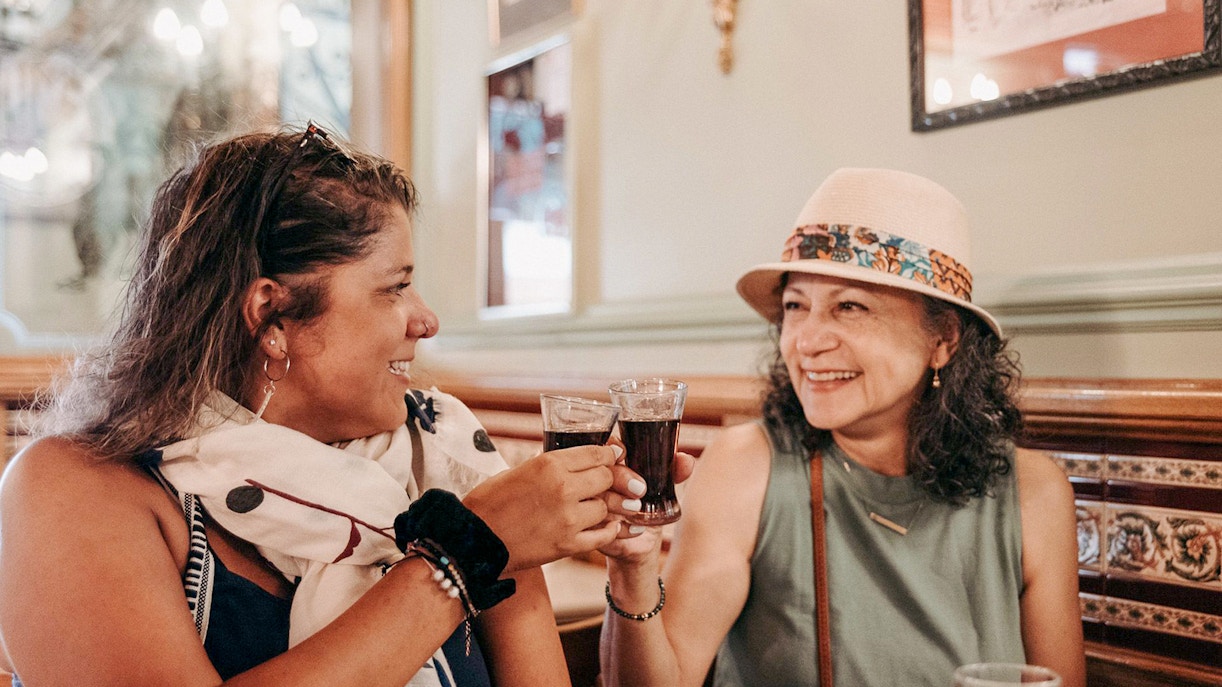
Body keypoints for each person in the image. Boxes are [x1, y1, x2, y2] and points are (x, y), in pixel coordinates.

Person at [0, 124, 641, 686]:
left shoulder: (448, 463)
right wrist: (461, 556)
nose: (426, 320)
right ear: (271, 316)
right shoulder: (75, 489)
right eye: (393, 289)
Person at [598, 168, 1086, 686]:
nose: (806, 342)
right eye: (795, 307)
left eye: (849, 307)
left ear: (942, 339)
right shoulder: (748, 467)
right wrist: (632, 576)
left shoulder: (1033, 493)